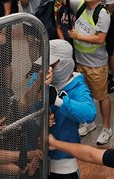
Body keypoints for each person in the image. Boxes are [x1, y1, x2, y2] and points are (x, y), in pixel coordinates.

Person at [65, 0, 113, 145]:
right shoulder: (80, 5)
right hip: (80, 61)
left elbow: (100, 39)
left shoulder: (103, 14)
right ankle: (88, 122)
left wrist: (78, 36)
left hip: (96, 64)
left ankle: (106, 128)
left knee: (101, 96)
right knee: (85, 94)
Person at [47, 39, 97, 178]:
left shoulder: (78, 88)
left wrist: (59, 101)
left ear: (66, 63)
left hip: (63, 165)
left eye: (53, 64)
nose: (48, 68)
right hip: (36, 159)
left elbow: (89, 113)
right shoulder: (41, 77)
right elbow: (24, 108)